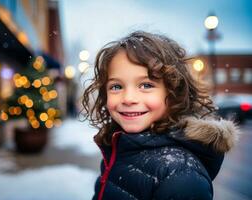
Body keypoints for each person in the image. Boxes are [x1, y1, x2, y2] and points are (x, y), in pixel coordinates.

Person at [81, 31, 240, 200]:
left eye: (146, 85)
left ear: (173, 92)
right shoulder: (118, 147)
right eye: (116, 86)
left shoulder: (181, 177)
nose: (128, 99)